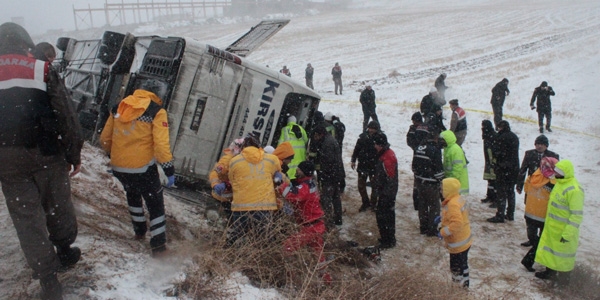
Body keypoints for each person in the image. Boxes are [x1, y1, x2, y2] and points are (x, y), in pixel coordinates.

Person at [0, 22, 84, 299]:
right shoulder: (41, 68)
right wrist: (74, 153)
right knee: (57, 204)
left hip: (7, 160)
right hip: (45, 153)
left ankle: (48, 280)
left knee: (27, 219)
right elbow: (65, 114)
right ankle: (64, 250)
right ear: (25, 42)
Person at [100, 79, 175, 257]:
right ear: (158, 94)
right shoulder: (157, 111)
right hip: (142, 168)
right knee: (155, 202)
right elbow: (161, 145)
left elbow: (104, 138)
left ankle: (139, 231)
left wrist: (113, 154)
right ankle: (158, 245)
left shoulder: (120, 106)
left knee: (132, 194)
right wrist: (168, 168)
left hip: (119, 166)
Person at [276, 161, 331, 283]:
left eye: (299, 169)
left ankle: (292, 278)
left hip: (311, 227)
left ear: (304, 172)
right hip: (316, 224)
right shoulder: (309, 183)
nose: (296, 170)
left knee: (287, 247)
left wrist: (281, 184)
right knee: (319, 257)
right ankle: (327, 281)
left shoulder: (304, 186)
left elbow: (292, 195)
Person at [534, 160, 584, 286]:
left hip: (564, 231)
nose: (555, 173)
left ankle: (563, 281)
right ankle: (549, 273)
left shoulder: (575, 190)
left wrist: (568, 234)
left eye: (558, 172)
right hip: (552, 228)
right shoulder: (559, 184)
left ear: (564, 173)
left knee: (563, 258)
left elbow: (576, 215)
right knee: (551, 253)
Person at [227, 134, 282, 246]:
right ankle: (255, 260)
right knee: (262, 241)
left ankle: (227, 255)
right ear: (259, 146)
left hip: (241, 207)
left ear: (243, 147)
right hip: (264, 206)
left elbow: (232, 181)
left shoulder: (234, 161)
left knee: (235, 237)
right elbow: (277, 174)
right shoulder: (272, 159)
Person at [516, 135, 560, 242]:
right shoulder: (529, 154)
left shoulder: (553, 156)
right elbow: (523, 169)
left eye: (542, 144)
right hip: (532, 187)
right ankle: (532, 238)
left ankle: (541, 239)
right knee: (530, 212)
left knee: (543, 214)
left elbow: (557, 173)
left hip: (546, 189)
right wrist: (519, 185)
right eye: (537, 144)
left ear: (546, 146)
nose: (539, 146)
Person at [520, 157, 558, 273]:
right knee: (542, 241)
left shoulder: (533, 176)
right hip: (544, 216)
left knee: (534, 239)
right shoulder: (553, 182)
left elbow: (526, 189)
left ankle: (532, 259)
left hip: (530, 213)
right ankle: (530, 260)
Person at [436, 178, 472, 288]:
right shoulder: (458, 199)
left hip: (458, 243)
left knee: (455, 268)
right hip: (465, 240)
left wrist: (442, 232)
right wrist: (442, 218)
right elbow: (455, 216)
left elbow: (456, 223)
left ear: (449, 190)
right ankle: (465, 284)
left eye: (443, 189)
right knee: (463, 264)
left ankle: (457, 289)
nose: (441, 191)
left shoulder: (452, 204)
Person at [412, 126, 444, 236]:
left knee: (423, 205)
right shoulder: (435, 150)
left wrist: (419, 176)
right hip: (431, 183)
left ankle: (423, 227)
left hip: (420, 182)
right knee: (434, 206)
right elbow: (438, 170)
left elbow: (414, 167)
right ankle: (432, 229)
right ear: (435, 138)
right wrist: (441, 180)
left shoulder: (419, 147)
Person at [311, 125, 345, 227]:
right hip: (336, 174)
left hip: (330, 176)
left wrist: (323, 174)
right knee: (336, 198)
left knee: (326, 199)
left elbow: (328, 162)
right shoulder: (330, 140)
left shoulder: (327, 144)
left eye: (315, 136)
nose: (314, 138)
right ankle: (338, 219)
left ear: (320, 134)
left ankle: (328, 223)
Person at [487, 120, 520, 223]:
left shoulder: (500, 137)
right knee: (511, 192)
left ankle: (500, 215)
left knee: (501, 192)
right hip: (514, 168)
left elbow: (497, 152)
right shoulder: (514, 137)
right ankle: (510, 214)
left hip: (503, 168)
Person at [372, 133, 398, 249]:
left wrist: (384, 193)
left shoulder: (387, 158)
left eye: (376, 144)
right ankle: (387, 238)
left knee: (384, 216)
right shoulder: (386, 154)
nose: (374, 147)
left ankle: (388, 240)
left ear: (381, 145)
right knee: (386, 216)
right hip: (386, 192)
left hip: (387, 194)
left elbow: (390, 179)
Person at [351, 121, 380, 212]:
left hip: (374, 166)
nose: (371, 130)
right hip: (363, 165)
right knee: (361, 186)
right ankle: (365, 202)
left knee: (375, 186)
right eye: (370, 128)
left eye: (373, 129)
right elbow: (357, 149)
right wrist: (353, 160)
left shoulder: (380, 138)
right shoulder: (362, 137)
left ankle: (373, 204)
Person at [407, 112, 429, 211]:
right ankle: (423, 201)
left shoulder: (413, 130)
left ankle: (417, 203)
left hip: (418, 156)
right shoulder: (427, 128)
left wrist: (417, 148)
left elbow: (409, 141)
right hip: (426, 156)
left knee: (417, 181)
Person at [210, 138, 244, 204]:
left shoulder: (236, 160)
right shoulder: (227, 160)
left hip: (228, 197)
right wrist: (216, 185)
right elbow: (215, 173)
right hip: (222, 197)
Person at [440, 130, 469, 195]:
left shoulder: (455, 150)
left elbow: (457, 167)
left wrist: (452, 179)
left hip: (457, 181)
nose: (441, 142)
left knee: (455, 202)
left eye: (443, 140)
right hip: (452, 180)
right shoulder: (448, 149)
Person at [480, 120, 497, 205]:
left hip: (492, 162)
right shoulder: (487, 136)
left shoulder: (493, 136)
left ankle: (495, 198)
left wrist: (493, 161)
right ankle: (489, 196)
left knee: (494, 180)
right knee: (489, 179)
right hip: (488, 161)